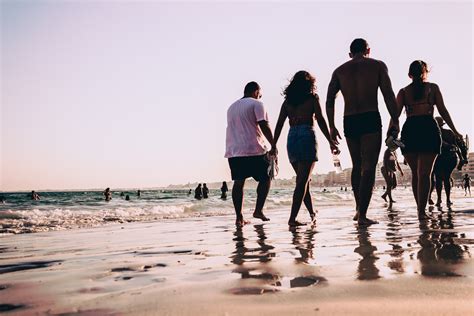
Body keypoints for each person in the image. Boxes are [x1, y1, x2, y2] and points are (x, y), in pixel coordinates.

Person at [326, 38, 399, 225]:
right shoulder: (378, 66)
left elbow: (329, 100)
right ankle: (363, 216)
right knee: (368, 167)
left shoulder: (339, 71)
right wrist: (395, 120)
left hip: (349, 119)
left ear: (350, 53)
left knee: (357, 166)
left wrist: (331, 126)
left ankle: (359, 209)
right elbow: (388, 94)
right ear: (368, 50)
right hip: (370, 117)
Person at [393, 60, 462, 220]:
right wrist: (455, 130)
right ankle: (421, 212)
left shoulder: (403, 92)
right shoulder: (433, 88)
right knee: (425, 174)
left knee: (417, 175)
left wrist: (392, 133)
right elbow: (443, 111)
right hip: (428, 129)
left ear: (409, 75)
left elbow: (395, 116)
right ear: (426, 73)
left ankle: (420, 210)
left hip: (410, 130)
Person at [272, 70, 338, 226]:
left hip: (292, 138)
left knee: (304, 180)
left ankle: (311, 213)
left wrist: (274, 144)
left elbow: (280, 123)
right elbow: (320, 120)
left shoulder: (287, 102)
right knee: (302, 181)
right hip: (306, 135)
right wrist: (330, 140)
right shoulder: (312, 98)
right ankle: (292, 219)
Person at [225, 81, 275, 226]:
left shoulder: (231, 107)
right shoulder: (257, 104)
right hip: (254, 149)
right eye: (260, 94)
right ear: (255, 91)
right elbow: (263, 124)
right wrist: (273, 144)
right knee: (266, 178)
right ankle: (258, 210)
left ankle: (239, 217)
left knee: (238, 183)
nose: (260, 96)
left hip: (234, 151)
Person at [430, 117, 464, 207]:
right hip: (450, 158)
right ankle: (447, 200)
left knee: (438, 179)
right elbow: (456, 147)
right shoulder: (449, 132)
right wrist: (461, 159)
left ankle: (439, 200)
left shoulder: (433, 133)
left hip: (439, 158)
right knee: (446, 178)